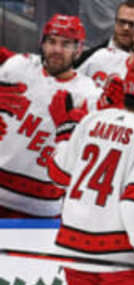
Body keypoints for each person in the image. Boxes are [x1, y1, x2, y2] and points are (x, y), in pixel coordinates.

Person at [47, 56, 134, 285]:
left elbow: (59, 175)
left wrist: (64, 132)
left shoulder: (92, 119)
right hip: (120, 259)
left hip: (74, 253)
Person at [0, 14, 102, 218]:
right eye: (52, 41)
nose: (56, 50)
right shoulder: (17, 67)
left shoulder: (89, 94)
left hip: (44, 207)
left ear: (78, 50)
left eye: (66, 44)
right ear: (42, 43)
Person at [74, 0, 134, 68]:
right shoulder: (86, 58)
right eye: (122, 21)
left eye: (132, 24)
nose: (126, 28)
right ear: (115, 21)